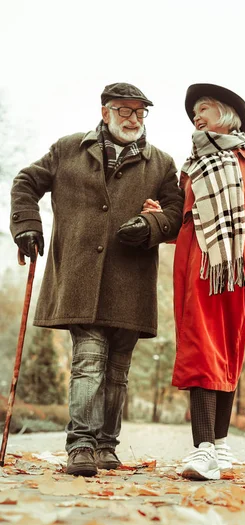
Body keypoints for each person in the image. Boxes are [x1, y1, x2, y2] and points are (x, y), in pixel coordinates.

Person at [10, 82, 184, 477]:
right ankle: (82, 445)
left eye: (140, 112)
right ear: (105, 112)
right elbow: (25, 182)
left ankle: (106, 445)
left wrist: (151, 224)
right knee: (89, 360)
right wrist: (26, 225)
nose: (134, 119)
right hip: (80, 278)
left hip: (131, 280)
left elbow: (176, 214)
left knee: (117, 370)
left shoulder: (162, 163)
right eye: (125, 111)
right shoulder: (68, 148)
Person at [143, 83, 245, 480]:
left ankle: (221, 444)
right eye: (195, 111)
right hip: (198, 260)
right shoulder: (190, 168)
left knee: (228, 349)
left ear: (228, 114)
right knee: (201, 346)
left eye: (205, 108)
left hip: (243, 263)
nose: (197, 116)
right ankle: (202, 449)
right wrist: (159, 216)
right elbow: (181, 222)